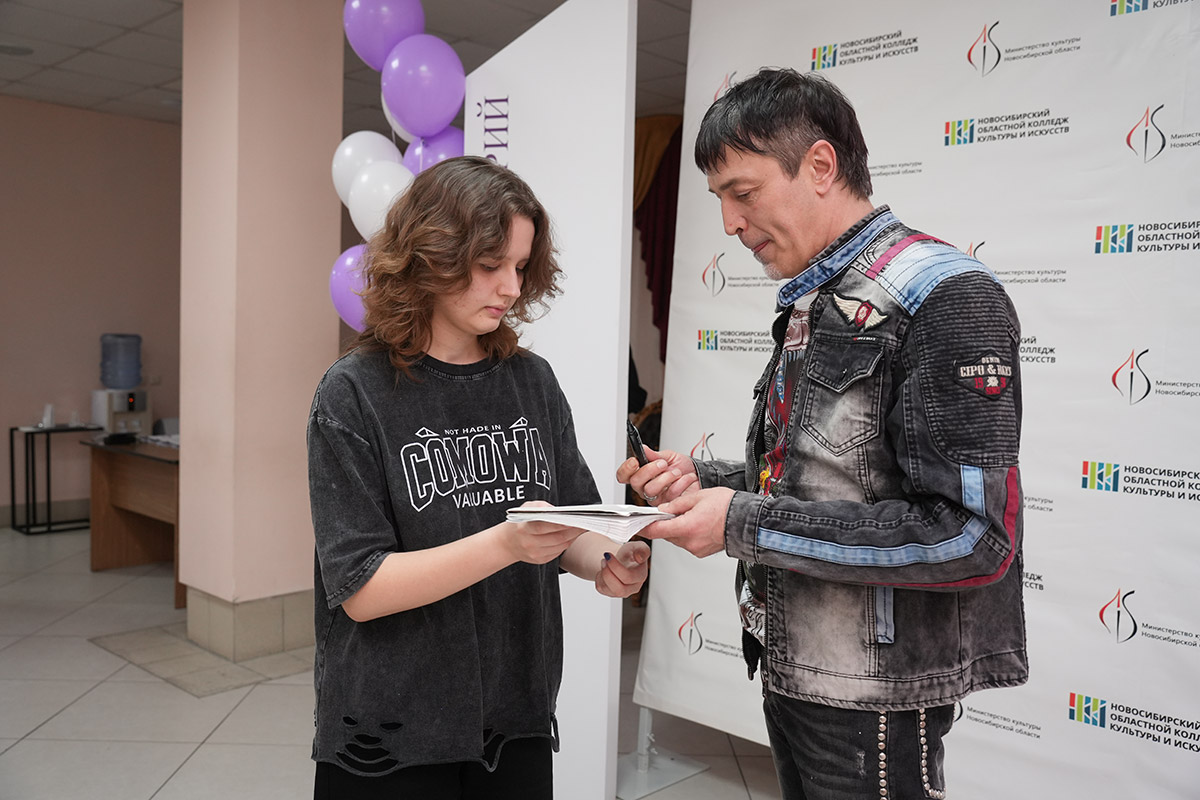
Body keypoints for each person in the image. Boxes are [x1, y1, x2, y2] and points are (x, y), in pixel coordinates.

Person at [618, 68, 1026, 800]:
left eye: (743, 193)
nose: (730, 224)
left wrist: (743, 523)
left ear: (819, 165)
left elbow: (969, 536)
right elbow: (830, 477)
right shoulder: (821, 296)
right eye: (719, 200)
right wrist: (705, 482)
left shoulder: (945, 297)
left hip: (874, 700)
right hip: (794, 667)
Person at [307, 155, 649, 800]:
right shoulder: (353, 393)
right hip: (392, 725)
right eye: (491, 265)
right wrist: (507, 543)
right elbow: (361, 589)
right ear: (431, 255)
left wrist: (607, 559)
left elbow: (569, 526)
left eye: (520, 266)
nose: (511, 287)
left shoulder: (531, 382)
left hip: (513, 710)